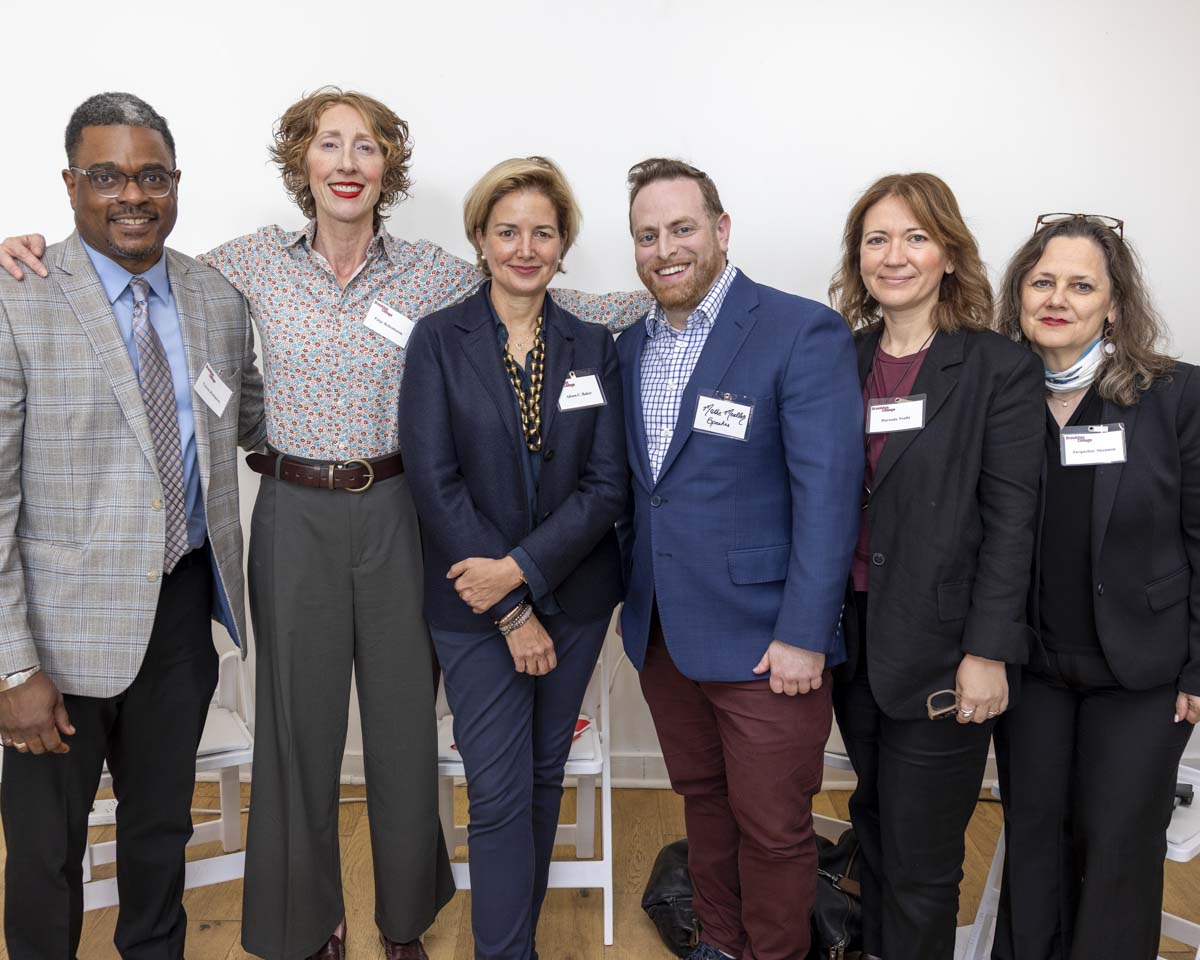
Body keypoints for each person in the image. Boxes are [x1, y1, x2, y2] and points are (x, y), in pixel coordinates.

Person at [0, 86, 646, 960]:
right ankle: (308, 921)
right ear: (302, 161)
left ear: (389, 167)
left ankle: (403, 920)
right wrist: (29, 247)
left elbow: (547, 297)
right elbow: (135, 255)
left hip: (399, 513)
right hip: (292, 514)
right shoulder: (242, 266)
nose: (348, 162)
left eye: (367, 146)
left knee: (403, 730)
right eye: (330, 145)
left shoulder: (436, 272)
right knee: (296, 733)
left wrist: (670, 292)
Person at [0, 92, 265, 959]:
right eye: (107, 176)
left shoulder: (215, 297)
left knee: (161, 835)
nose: (132, 195)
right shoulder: (18, 295)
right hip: (57, 638)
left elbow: (260, 421)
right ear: (71, 183)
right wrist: (12, 665)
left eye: (151, 175)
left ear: (177, 182)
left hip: (180, 613)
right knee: (45, 855)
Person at [616, 157, 862, 960]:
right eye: (647, 236)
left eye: (682, 228)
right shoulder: (630, 347)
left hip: (767, 643)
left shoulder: (798, 330)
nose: (666, 249)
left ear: (720, 231)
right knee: (704, 811)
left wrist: (804, 633)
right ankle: (719, 947)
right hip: (664, 636)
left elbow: (828, 496)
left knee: (776, 832)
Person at [399, 156, 625, 960]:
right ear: (480, 240)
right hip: (470, 604)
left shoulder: (595, 346)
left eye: (542, 231)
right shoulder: (437, 340)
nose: (524, 247)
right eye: (507, 231)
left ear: (564, 244)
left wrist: (523, 571)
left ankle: (513, 942)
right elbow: (433, 481)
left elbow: (606, 486)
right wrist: (509, 605)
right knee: (495, 793)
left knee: (540, 781)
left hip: (579, 597)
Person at [826, 172, 1044, 960]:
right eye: (877, 239)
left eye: (915, 237)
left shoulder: (995, 369)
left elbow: (1013, 523)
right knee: (876, 832)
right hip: (852, 643)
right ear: (858, 256)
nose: (895, 256)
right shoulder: (839, 359)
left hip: (947, 651)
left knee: (923, 864)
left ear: (948, 253)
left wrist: (987, 652)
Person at [990, 214, 1200, 960]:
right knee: (1036, 838)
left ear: (1113, 305)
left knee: (1115, 848)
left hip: (1144, 674)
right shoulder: (998, 399)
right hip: (1035, 670)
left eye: (1082, 285)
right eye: (1042, 282)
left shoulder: (1175, 397)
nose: (1058, 299)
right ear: (1018, 294)